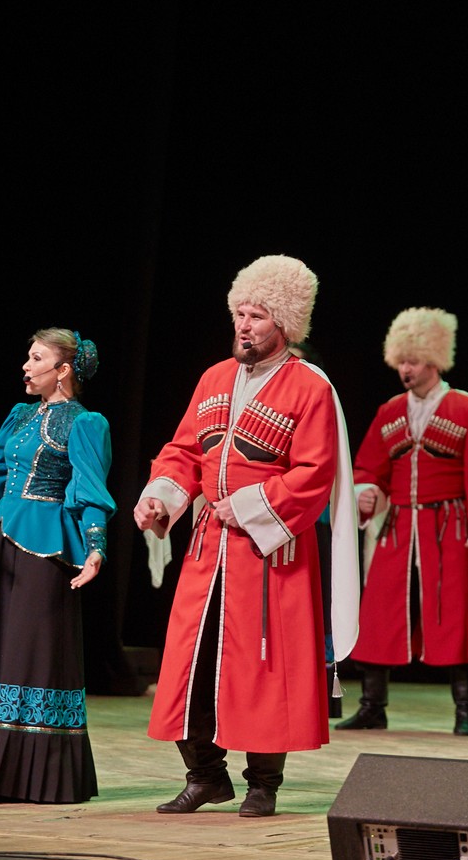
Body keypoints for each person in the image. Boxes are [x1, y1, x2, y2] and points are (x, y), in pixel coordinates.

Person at [136, 255, 357, 818]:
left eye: (257, 316)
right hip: (209, 549)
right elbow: (185, 450)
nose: (244, 325)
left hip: (270, 553)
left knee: (264, 668)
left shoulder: (310, 387)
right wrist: (161, 496)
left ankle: (264, 783)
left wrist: (251, 506)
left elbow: (314, 473)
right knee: (190, 662)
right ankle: (206, 776)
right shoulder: (213, 378)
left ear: (284, 323)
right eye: (239, 313)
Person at [0, 328, 113, 803]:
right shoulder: (20, 416)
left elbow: (91, 491)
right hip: (5, 542)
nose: (26, 366)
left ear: (63, 370)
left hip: (46, 548)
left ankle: (34, 774)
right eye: (28, 357)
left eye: (36, 358)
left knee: (30, 654)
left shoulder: (84, 423)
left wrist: (95, 548)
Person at [337, 307, 468, 736]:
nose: (405, 369)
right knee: (380, 613)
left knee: (458, 615)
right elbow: (367, 466)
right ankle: (373, 707)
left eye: (412, 361)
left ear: (434, 360)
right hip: (398, 528)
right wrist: (365, 490)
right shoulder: (389, 410)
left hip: (451, 526)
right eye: (401, 361)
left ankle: (465, 711)